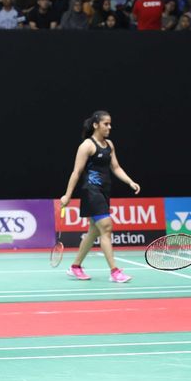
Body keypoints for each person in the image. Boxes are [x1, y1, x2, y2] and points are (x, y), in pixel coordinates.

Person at [59, 111, 140, 283]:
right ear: (96, 125)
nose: (109, 127)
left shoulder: (109, 144)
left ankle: (75, 267)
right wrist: (67, 195)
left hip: (104, 191)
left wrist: (130, 181)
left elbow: (116, 167)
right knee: (106, 227)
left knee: (93, 231)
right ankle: (115, 271)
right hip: (91, 191)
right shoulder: (87, 146)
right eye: (106, 124)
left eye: (110, 124)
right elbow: (76, 172)